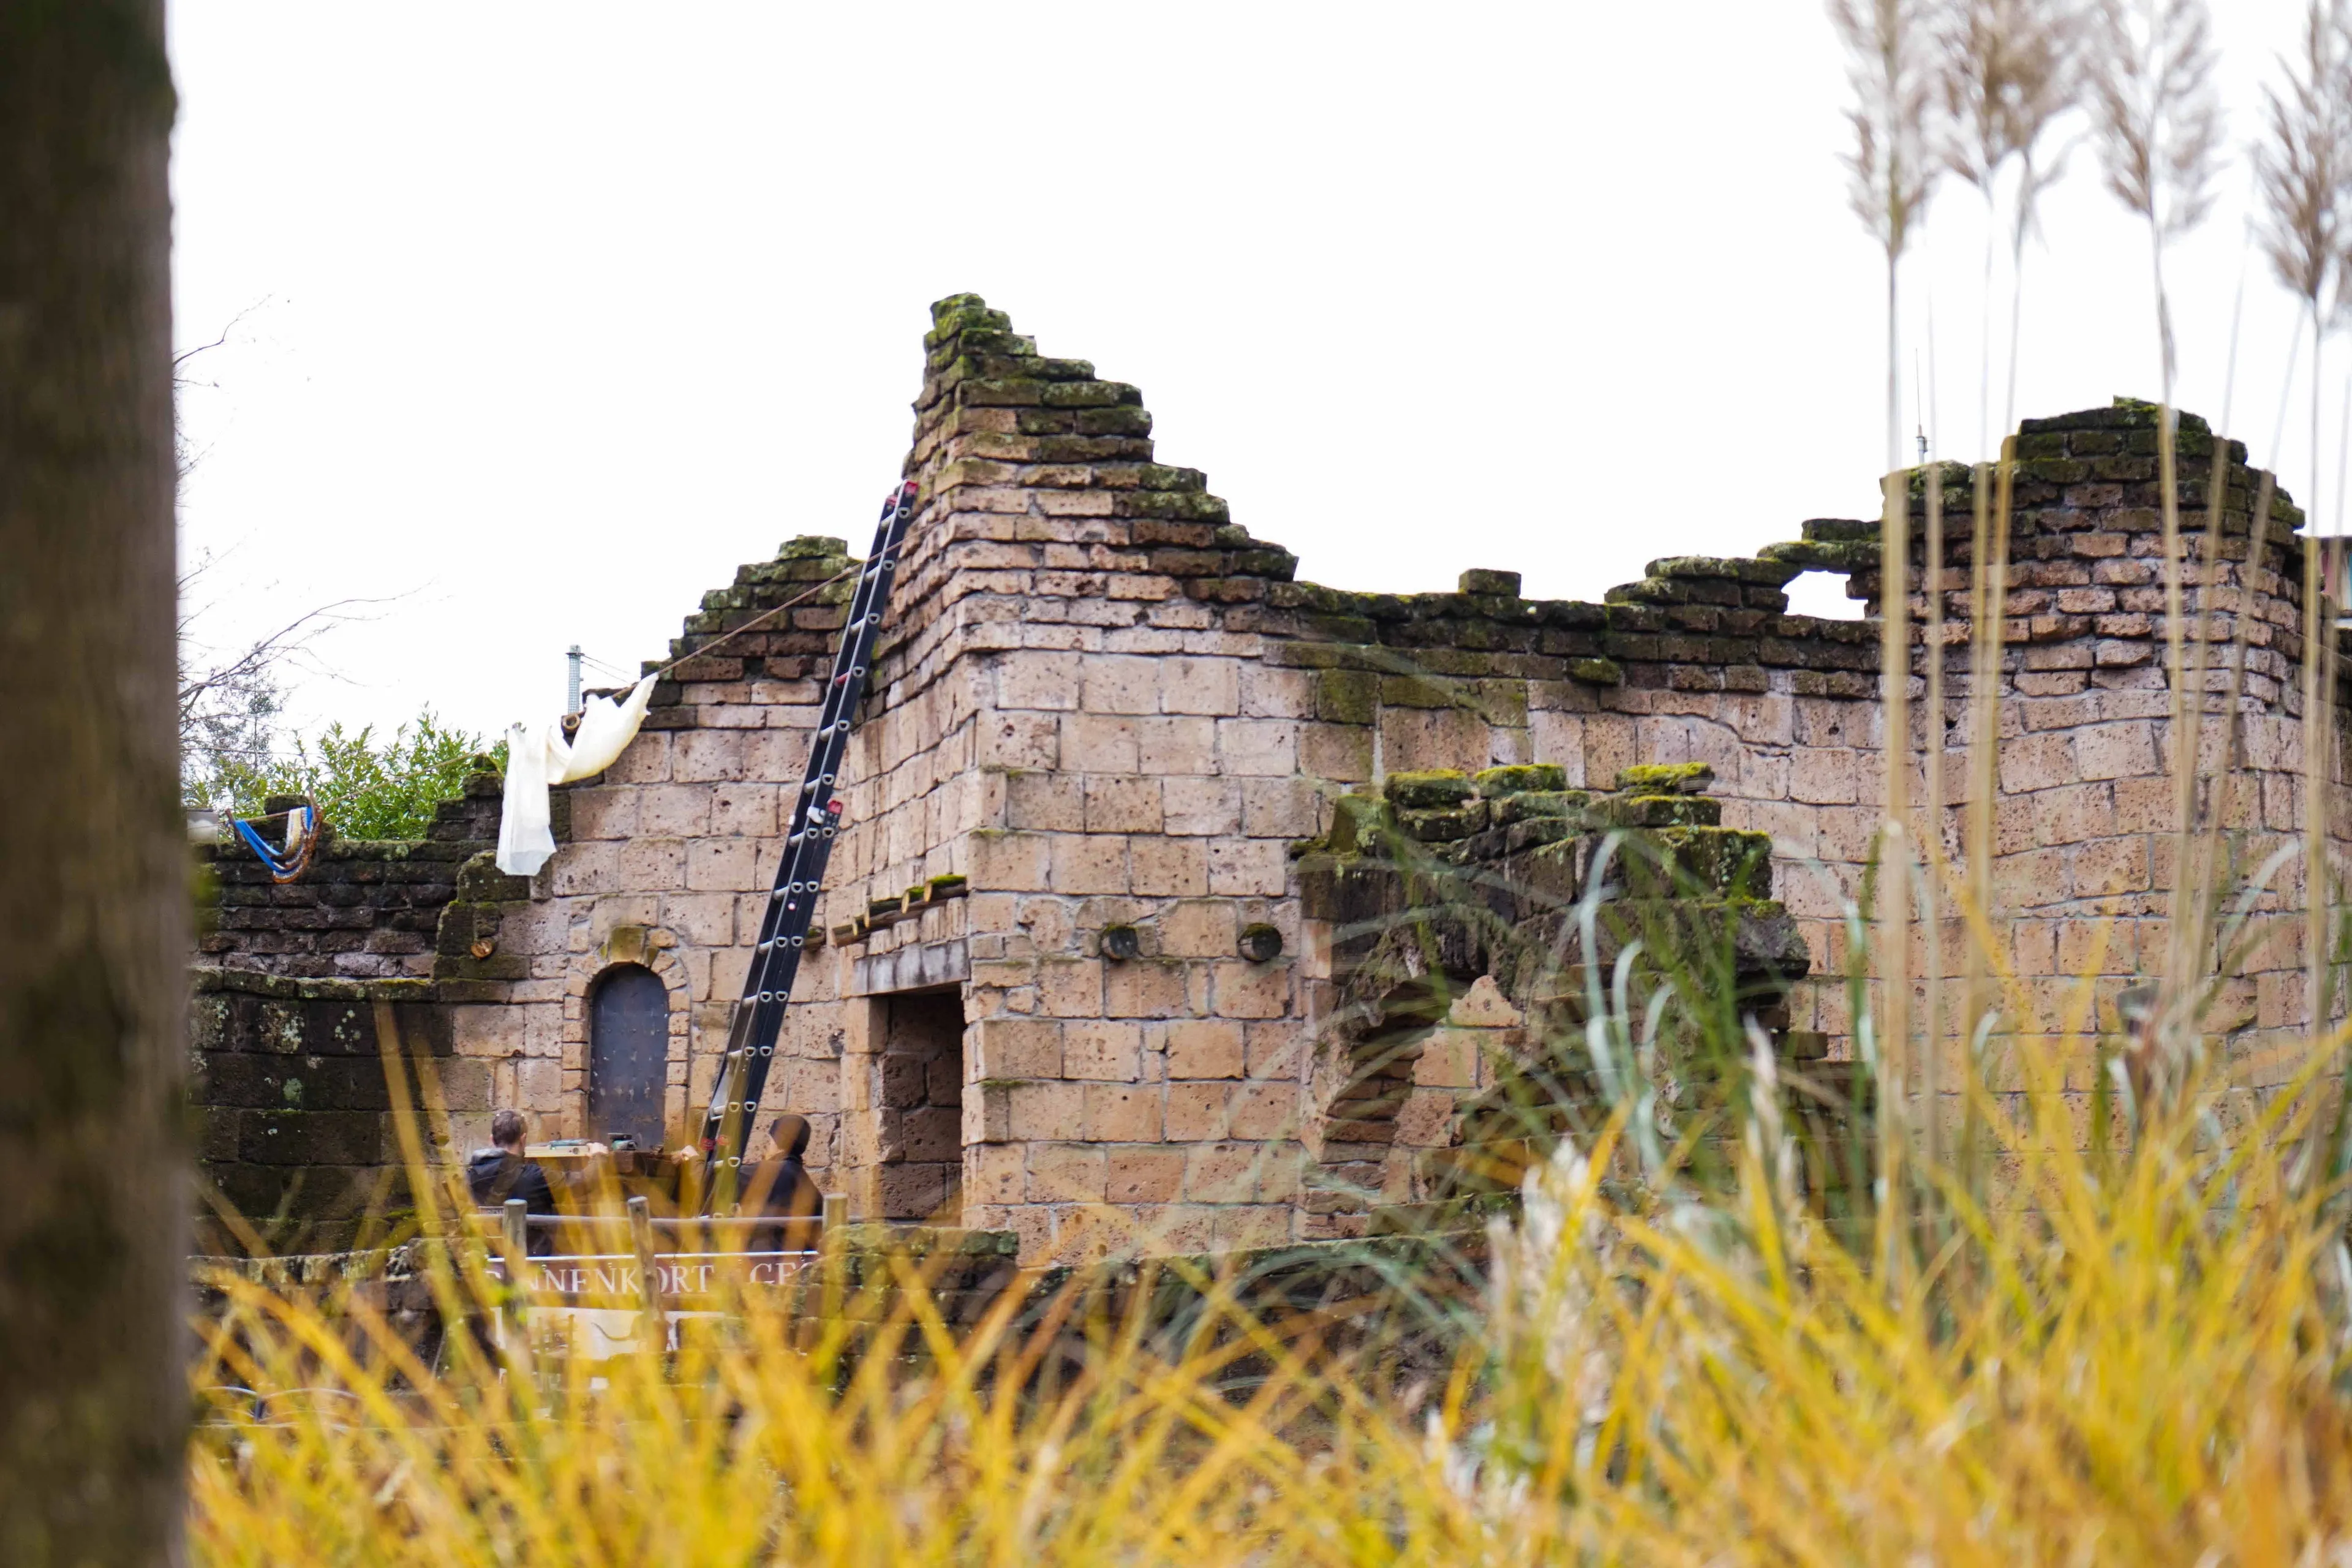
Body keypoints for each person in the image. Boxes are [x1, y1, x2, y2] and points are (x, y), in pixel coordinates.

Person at [466, 1109, 603, 1255]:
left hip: (488, 1267)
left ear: (492, 1140)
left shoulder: (469, 1177)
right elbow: (583, 1182)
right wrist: (599, 1156)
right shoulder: (534, 1177)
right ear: (523, 1139)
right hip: (531, 1266)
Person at [742, 1114, 824, 1252]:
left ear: (780, 1144)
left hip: (768, 1262)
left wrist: (695, 1158)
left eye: (770, 1142)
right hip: (799, 1262)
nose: (767, 1147)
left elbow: (716, 1181)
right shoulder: (802, 1177)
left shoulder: (771, 1171)